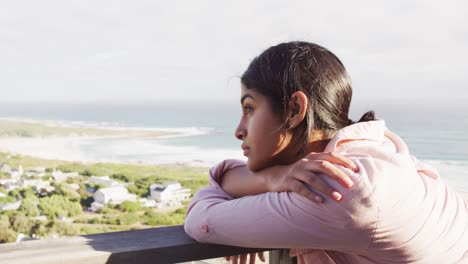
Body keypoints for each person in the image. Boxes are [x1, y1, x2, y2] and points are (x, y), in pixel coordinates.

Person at [184, 42, 468, 263]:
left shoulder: (340, 189)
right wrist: (274, 179)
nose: (239, 130)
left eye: (249, 109)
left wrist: (261, 191)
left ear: (295, 110)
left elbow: (201, 220)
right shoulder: (378, 153)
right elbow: (229, 179)